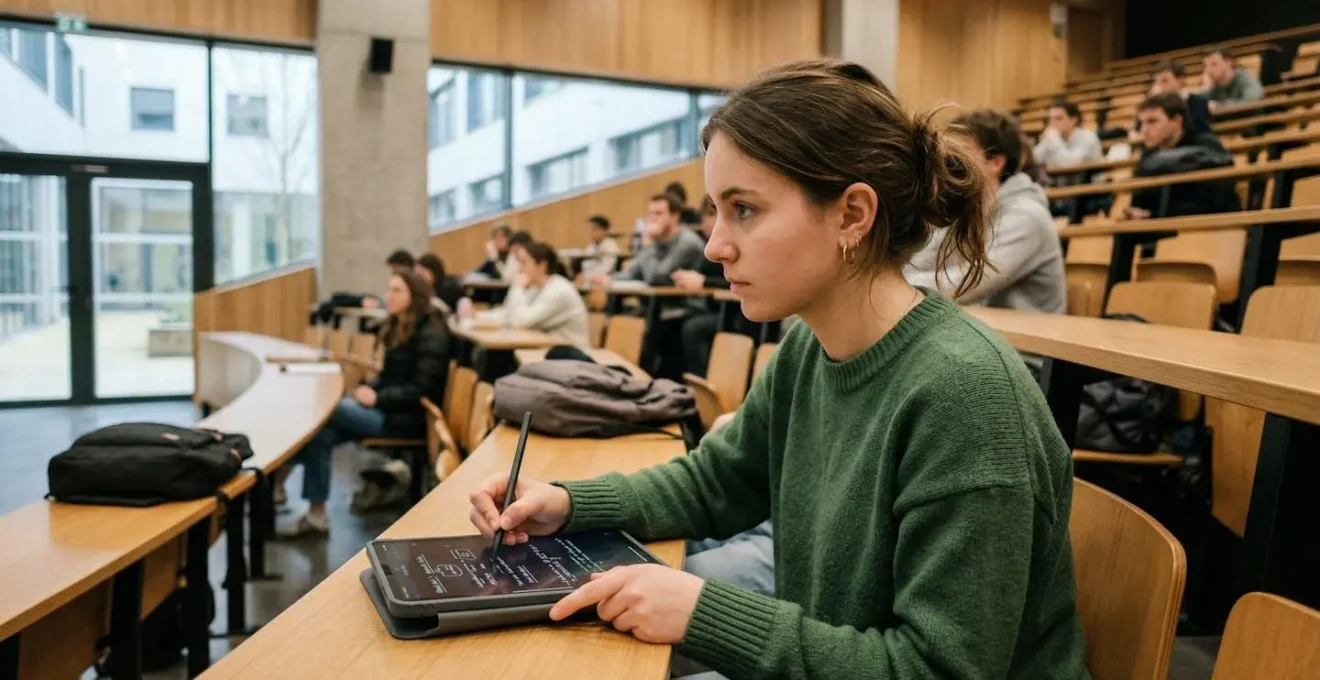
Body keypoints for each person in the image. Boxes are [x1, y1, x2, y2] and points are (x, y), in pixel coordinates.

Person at [468, 58, 1087, 680]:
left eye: (744, 209)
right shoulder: (808, 348)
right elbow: (715, 483)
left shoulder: (964, 395)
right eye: (715, 210)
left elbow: (941, 670)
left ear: (851, 214)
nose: (714, 246)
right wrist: (566, 503)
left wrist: (703, 613)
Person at [280, 271, 449, 537]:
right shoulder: (401, 325)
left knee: (327, 408)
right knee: (321, 435)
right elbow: (390, 377)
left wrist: (378, 397)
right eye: (389, 288)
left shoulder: (431, 332)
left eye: (397, 290)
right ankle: (316, 515)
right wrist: (371, 388)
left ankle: (279, 474)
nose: (388, 295)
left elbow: (423, 389)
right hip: (387, 410)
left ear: (414, 296)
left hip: (406, 419)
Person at [907, 109, 1065, 378]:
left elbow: (966, 284)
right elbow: (918, 259)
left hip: (1027, 361)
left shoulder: (1028, 216)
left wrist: (891, 288)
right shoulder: (965, 209)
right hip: (979, 342)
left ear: (995, 162)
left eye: (960, 152)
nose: (947, 161)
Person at [590, 193, 706, 378]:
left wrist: (648, 245)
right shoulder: (657, 241)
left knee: (650, 332)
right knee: (623, 320)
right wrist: (610, 279)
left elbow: (656, 277)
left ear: (674, 216)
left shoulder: (688, 243)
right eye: (650, 214)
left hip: (685, 309)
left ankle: (646, 380)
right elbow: (632, 273)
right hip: (657, 308)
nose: (652, 219)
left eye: (659, 213)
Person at [677, 197, 758, 376]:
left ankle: (709, 386)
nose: (710, 221)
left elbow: (744, 279)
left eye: (714, 214)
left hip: (744, 314)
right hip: (719, 309)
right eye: (710, 214)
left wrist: (703, 282)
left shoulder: (737, 245)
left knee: (693, 328)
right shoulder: (710, 248)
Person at [1128, 93, 1240, 219]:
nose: (1144, 130)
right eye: (1142, 123)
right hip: (1159, 227)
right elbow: (1140, 199)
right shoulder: (1149, 154)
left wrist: (1154, 215)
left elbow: (1213, 201)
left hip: (1208, 227)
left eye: (1152, 122)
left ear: (1177, 120)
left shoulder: (1206, 145)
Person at [474, 241, 591, 348]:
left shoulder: (559, 291)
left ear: (542, 265)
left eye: (524, 262)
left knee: (495, 358)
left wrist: (517, 287)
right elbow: (509, 313)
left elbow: (520, 322)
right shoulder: (536, 288)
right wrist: (477, 316)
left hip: (572, 359)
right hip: (548, 353)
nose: (520, 269)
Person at [1031, 100, 1103, 168]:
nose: (1053, 123)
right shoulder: (1051, 139)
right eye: (1050, 119)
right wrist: (1044, 142)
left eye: (1058, 118)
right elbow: (1032, 161)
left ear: (1073, 120)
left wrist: (1055, 140)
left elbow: (1070, 164)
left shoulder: (1088, 137)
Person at [1148, 61, 1213, 132]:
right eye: (1155, 82)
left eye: (1165, 81)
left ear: (1180, 80)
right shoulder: (1155, 107)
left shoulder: (1199, 101)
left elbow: (1200, 130)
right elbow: (1138, 131)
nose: (1159, 86)